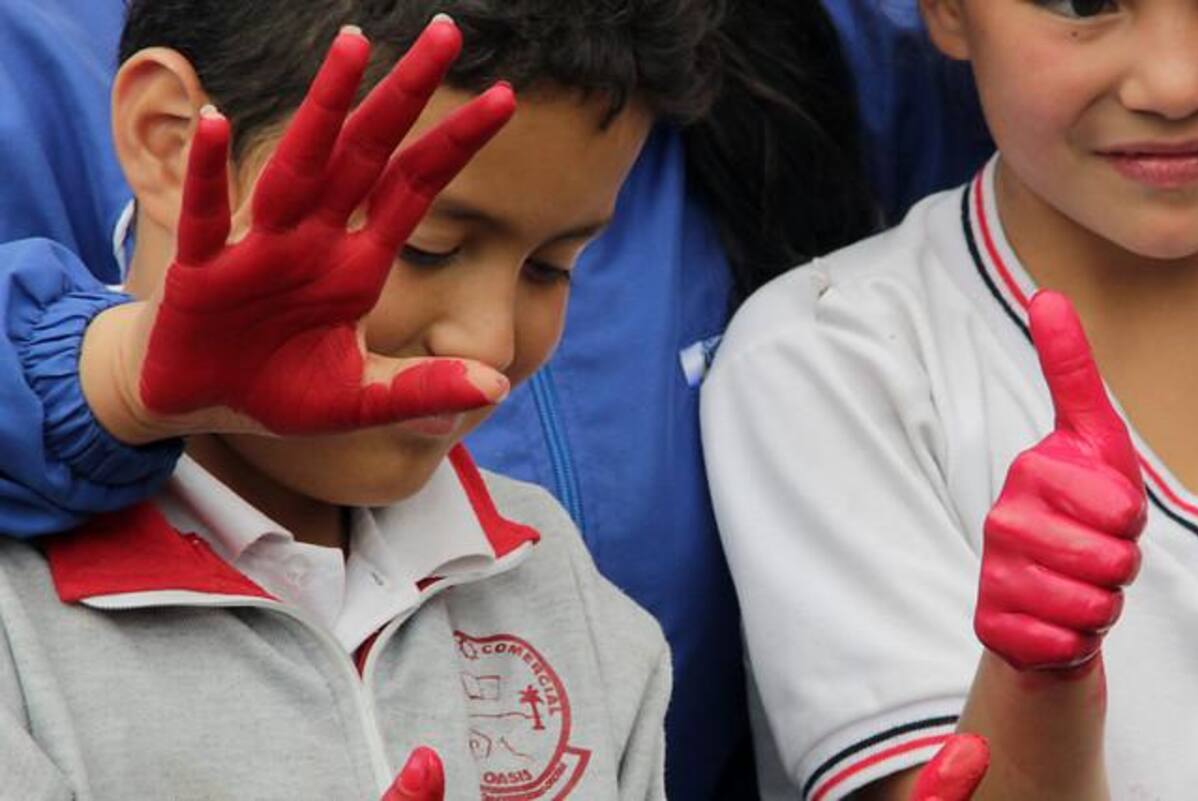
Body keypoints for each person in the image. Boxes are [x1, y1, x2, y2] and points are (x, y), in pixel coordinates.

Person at [0, 0, 737, 796]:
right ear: (170, 141)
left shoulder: (552, 583)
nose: (488, 344)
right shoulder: (22, 619)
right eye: (425, 248)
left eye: (550, 267)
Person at [702, 0, 1198, 798]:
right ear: (945, 9)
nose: (1175, 84)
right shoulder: (835, 359)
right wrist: (1037, 675)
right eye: (1081, 3)